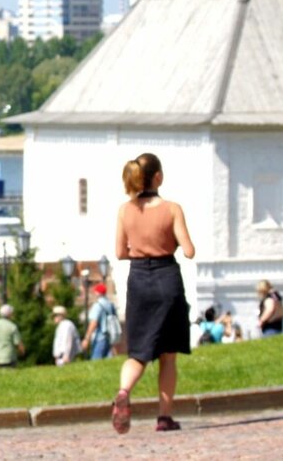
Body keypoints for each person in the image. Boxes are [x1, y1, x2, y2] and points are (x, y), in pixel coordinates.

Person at [111, 152, 196, 435]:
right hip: (166, 278)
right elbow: (189, 250)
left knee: (138, 352)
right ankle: (164, 417)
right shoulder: (172, 209)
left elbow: (120, 252)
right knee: (168, 355)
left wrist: (140, 248)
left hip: (138, 280)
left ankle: (123, 392)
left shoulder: (126, 210)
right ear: (158, 177)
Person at [82, 282, 117, 360]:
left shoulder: (98, 305)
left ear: (97, 293)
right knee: (108, 362)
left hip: (100, 337)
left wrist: (86, 339)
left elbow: (93, 323)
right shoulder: (110, 304)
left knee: (96, 361)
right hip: (109, 337)